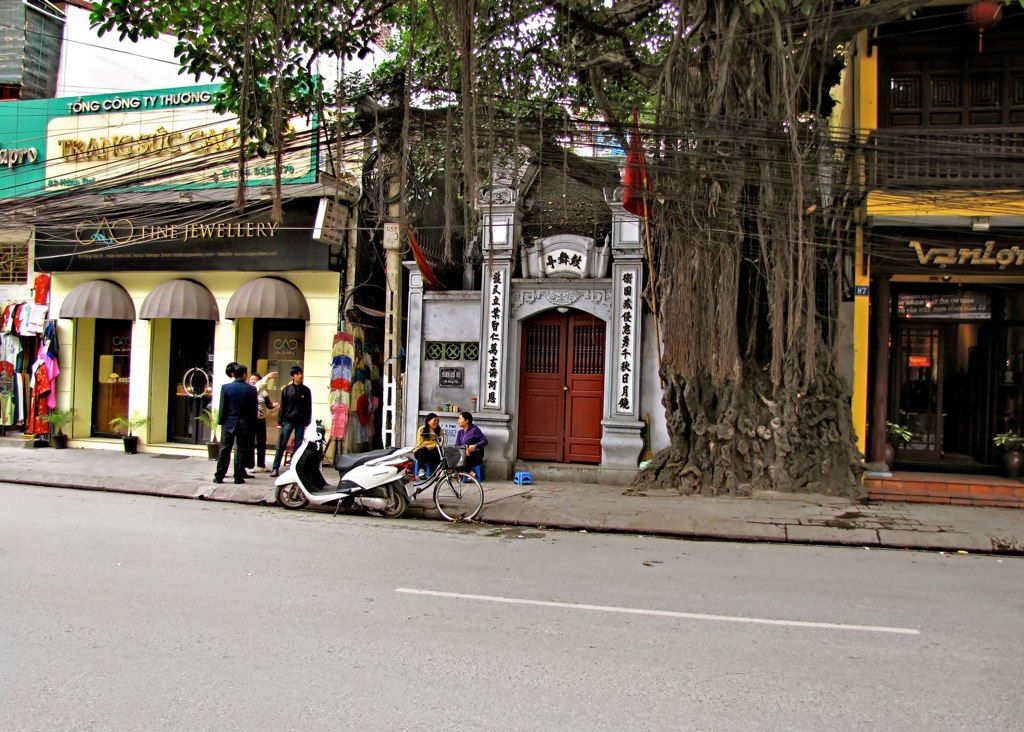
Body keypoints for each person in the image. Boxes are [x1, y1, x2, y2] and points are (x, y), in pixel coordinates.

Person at [214, 363, 258, 484]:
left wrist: (221, 422)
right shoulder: (251, 389)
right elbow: (253, 410)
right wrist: (252, 424)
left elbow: (223, 407)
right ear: (244, 374)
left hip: (229, 423)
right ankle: (238, 477)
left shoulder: (226, 388)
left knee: (224, 450)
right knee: (241, 450)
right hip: (244, 424)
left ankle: (219, 476)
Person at [270, 365, 312, 477]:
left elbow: (309, 407)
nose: (300, 376)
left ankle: (294, 468)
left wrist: (307, 421)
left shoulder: (306, 390)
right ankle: (275, 467)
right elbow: (282, 407)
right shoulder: (287, 389)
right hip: (288, 420)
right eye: (297, 374)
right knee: (281, 444)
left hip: (301, 421)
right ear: (293, 376)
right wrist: (280, 422)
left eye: (301, 373)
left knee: (298, 446)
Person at [246, 371, 278, 472]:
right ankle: (250, 465)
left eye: (255, 380)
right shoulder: (248, 391)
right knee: (250, 443)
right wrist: (268, 376)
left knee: (262, 443)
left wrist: (274, 405)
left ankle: (261, 465)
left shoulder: (264, 392)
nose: (252, 381)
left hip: (261, 420)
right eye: (251, 380)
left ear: (259, 381)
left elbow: (268, 405)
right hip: (251, 420)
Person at [414, 412, 442, 478]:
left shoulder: (440, 430)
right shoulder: (422, 429)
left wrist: (428, 444)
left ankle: (437, 471)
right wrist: (434, 443)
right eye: (434, 420)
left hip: (433, 451)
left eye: (438, 420)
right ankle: (421, 471)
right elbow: (421, 444)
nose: (437, 422)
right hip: (420, 451)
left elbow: (440, 443)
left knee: (440, 451)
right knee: (423, 450)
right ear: (428, 421)